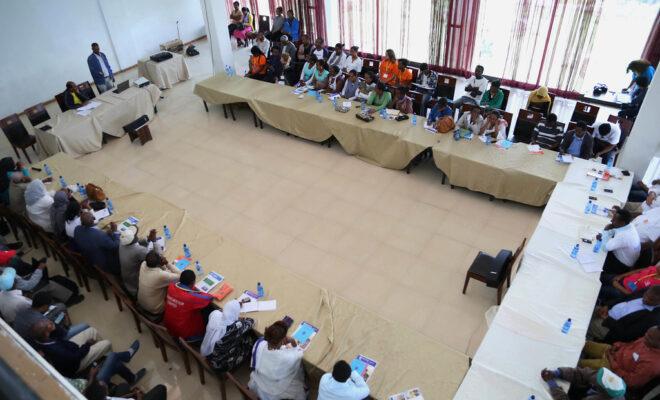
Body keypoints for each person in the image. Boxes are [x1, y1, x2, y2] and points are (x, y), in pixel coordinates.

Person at [578, 326, 660, 389]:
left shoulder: (653, 365)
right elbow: (630, 344)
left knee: (579, 364)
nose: (645, 337)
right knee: (581, 343)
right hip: (613, 352)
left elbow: (631, 382)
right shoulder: (649, 338)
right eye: (646, 333)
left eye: (649, 338)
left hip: (612, 370)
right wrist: (618, 345)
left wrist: (613, 364)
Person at [32, 319, 114, 378]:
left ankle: (102, 354)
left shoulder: (40, 339)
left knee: (92, 331)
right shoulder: (56, 350)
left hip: (71, 347)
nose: (49, 321)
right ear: (46, 333)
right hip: (75, 364)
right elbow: (75, 357)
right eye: (47, 324)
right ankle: (110, 359)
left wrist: (53, 327)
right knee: (107, 343)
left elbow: (63, 333)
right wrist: (87, 344)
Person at [248, 320, 306, 400]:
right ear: (283, 340)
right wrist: (293, 342)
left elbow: (264, 341)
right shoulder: (285, 357)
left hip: (258, 381)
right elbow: (299, 354)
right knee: (299, 385)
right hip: (273, 391)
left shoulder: (259, 343)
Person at [589, 286, 660, 343]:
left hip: (609, 329)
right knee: (584, 306)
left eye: (651, 300)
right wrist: (608, 306)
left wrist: (607, 319)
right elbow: (625, 297)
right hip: (606, 312)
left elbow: (626, 334)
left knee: (583, 324)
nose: (645, 299)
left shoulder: (653, 319)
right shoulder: (648, 290)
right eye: (646, 295)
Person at [201, 299, 255, 372]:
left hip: (209, 353)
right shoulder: (234, 328)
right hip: (221, 364)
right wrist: (240, 318)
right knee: (251, 339)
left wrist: (234, 306)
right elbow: (251, 322)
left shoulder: (215, 314)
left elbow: (220, 310)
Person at [12, 292, 88, 341]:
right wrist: (66, 321)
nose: (50, 307)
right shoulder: (42, 322)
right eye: (49, 305)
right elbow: (62, 334)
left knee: (61, 306)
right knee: (85, 325)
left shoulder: (22, 310)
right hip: (45, 339)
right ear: (44, 306)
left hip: (24, 335)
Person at [163, 270, 213, 340]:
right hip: (185, 334)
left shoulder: (171, 286)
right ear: (193, 282)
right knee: (211, 310)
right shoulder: (190, 297)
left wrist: (191, 289)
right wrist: (194, 290)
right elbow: (208, 298)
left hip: (169, 326)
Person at [119, 226, 161, 298]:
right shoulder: (139, 250)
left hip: (127, 279)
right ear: (133, 239)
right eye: (135, 235)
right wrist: (154, 241)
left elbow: (137, 243)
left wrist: (148, 239)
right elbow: (158, 257)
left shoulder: (122, 243)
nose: (136, 235)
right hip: (135, 285)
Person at [137, 251, 180, 318]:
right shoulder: (159, 275)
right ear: (159, 263)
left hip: (142, 302)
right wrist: (167, 263)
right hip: (155, 309)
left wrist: (162, 266)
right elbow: (180, 276)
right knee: (174, 287)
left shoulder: (143, 264)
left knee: (166, 283)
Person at [540, 367, 626, 400]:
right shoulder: (606, 379)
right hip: (589, 392)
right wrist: (558, 372)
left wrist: (552, 385)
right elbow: (583, 374)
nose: (597, 377)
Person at [599, 208, 640, 274]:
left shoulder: (624, 236)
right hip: (621, 257)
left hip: (620, 265)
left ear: (622, 223)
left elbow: (605, 248)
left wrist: (606, 231)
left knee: (598, 255)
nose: (611, 220)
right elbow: (614, 231)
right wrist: (606, 234)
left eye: (614, 220)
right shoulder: (629, 225)